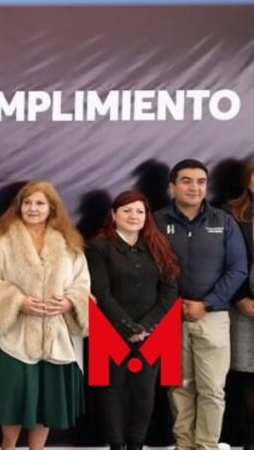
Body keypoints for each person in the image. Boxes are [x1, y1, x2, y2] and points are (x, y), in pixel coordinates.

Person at [0, 180, 89, 450]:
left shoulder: (69, 244)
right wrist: (17, 302)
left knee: (46, 403)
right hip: (13, 338)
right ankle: (7, 447)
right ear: (19, 207)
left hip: (56, 337)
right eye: (27, 202)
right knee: (13, 400)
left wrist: (70, 302)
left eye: (40, 203)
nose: (32, 208)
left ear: (52, 208)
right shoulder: (4, 242)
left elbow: (82, 284)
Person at [154, 159, 247, 450]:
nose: (194, 187)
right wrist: (172, 305)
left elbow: (238, 269)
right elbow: (146, 267)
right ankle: (184, 445)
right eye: (186, 181)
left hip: (213, 318)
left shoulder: (223, 220)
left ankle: (207, 446)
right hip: (170, 318)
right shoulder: (156, 221)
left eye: (201, 181)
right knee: (179, 387)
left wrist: (206, 304)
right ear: (172, 187)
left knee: (212, 390)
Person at [86, 190, 179, 450]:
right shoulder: (98, 247)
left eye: (140, 211)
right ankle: (116, 445)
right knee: (113, 390)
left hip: (151, 333)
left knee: (144, 392)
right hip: (110, 331)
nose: (134, 216)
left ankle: (137, 444)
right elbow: (101, 293)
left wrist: (146, 327)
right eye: (127, 210)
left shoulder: (158, 244)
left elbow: (169, 290)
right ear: (113, 214)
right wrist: (128, 327)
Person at [224, 159, 254, 450]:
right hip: (243, 305)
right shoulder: (232, 213)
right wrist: (241, 297)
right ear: (248, 180)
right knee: (246, 372)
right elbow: (226, 259)